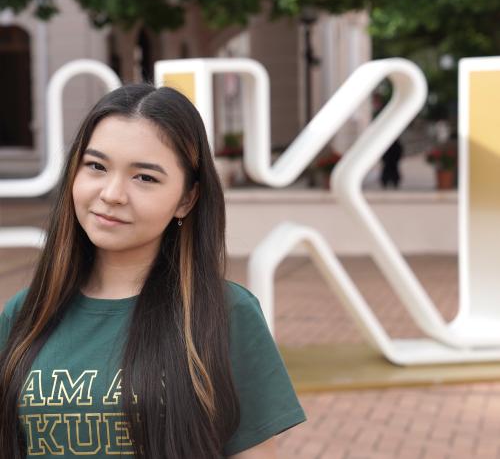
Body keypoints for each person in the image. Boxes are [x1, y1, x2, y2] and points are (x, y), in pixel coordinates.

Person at [0, 84, 306, 458]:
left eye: (144, 177)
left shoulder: (223, 313)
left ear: (186, 199)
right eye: (96, 166)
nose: (112, 193)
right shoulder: (26, 313)